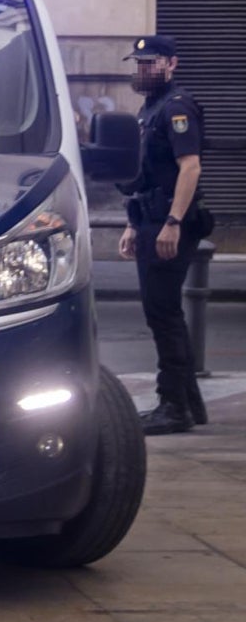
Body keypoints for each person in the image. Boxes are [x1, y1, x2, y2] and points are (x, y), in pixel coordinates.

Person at [116, 35, 209, 435]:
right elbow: (145, 176)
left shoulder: (176, 107)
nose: (143, 70)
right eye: (139, 63)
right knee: (164, 312)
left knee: (163, 313)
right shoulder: (149, 108)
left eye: (150, 63)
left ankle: (173, 406)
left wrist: (172, 222)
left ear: (171, 64)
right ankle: (188, 402)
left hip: (170, 222)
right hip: (151, 217)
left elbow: (190, 167)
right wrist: (133, 223)